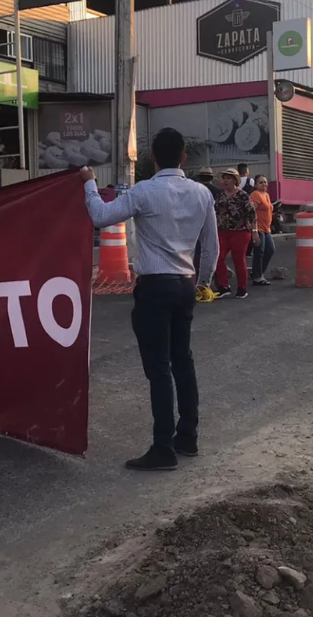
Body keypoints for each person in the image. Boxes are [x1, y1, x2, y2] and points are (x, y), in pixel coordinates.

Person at [80, 128, 218, 471]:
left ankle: (162, 447)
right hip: (186, 284)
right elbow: (211, 248)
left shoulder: (144, 191)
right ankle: (187, 436)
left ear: (153, 157)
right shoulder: (202, 194)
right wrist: (202, 282)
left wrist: (89, 183)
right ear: (184, 157)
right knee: (183, 362)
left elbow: (100, 216)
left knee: (159, 369)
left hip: (155, 285)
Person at [214, 168, 257, 298]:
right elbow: (215, 212)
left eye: (228, 178)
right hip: (222, 231)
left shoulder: (243, 195)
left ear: (235, 180)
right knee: (218, 257)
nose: (225, 180)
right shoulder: (220, 195)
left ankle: (242, 288)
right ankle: (224, 286)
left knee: (238, 259)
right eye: (224, 178)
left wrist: (254, 232)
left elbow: (252, 214)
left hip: (240, 232)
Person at [249, 176, 275, 286]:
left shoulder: (266, 195)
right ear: (255, 185)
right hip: (258, 227)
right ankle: (258, 277)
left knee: (270, 250)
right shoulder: (255, 195)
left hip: (266, 228)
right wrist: (254, 231)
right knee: (260, 252)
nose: (264, 184)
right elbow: (251, 212)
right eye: (260, 182)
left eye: (265, 182)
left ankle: (257, 272)